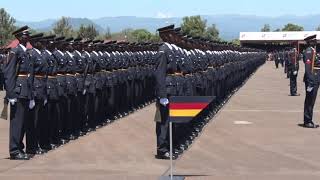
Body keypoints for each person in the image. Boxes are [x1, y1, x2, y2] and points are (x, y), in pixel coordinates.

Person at [3, 26, 34, 160]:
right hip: (18, 91)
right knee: (17, 123)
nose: (28, 37)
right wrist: (10, 95)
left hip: (25, 91)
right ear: (20, 37)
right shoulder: (14, 52)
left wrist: (31, 94)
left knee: (23, 122)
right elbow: (9, 74)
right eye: (26, 35)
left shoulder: (25, 52)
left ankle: (20, 148)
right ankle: (14, 150)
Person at [302, 34, 320, 128]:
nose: (316, 41)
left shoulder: (313, 50)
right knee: (309, 100)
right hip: (312, 79)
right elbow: (308, 68)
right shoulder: (309, 51)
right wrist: (310, 81)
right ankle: (307, 121)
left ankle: (309, 120)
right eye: (314, 40)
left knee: (311, 101)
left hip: (315, 78)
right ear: (310, 42)